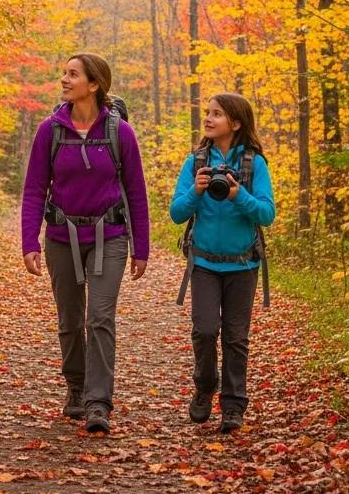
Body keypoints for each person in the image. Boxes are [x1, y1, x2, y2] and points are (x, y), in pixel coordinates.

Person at [21, 53, 149, 435]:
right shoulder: (50, 130)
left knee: (100, 318)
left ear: (94, 84)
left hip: (109, 235)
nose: (64, 79)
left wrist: (140, 247)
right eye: (64, 72)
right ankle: (76, 386)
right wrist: (30, 241)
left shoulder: (119, 132)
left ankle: (98, 402)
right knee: (70, 321)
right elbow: (33, 189)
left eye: (72, 74)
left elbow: (136, 192)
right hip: (62, 236)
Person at [169, 93, 275, 434]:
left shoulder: (254, 164)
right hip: (203, 263)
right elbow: (176, 213)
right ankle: (204, 385)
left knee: (235, 337)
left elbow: (267, 213)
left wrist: (237, 194)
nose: (209, 118)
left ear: (236, 123)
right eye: (208, 113)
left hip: (243, 265)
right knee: (203, 330)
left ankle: (233, 406)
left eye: (217, 114)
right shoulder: (195, 162)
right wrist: (196, 192)